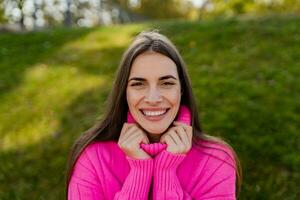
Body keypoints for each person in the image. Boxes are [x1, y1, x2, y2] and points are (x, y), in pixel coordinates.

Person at [66, 30, 242, 199]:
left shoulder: (216, 160)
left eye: (166, 83)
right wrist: (139, 172)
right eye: (138, 84)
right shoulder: (93, 158)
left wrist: (166, 172)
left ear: (181, 90)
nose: (153, 98)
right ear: (124, 91)